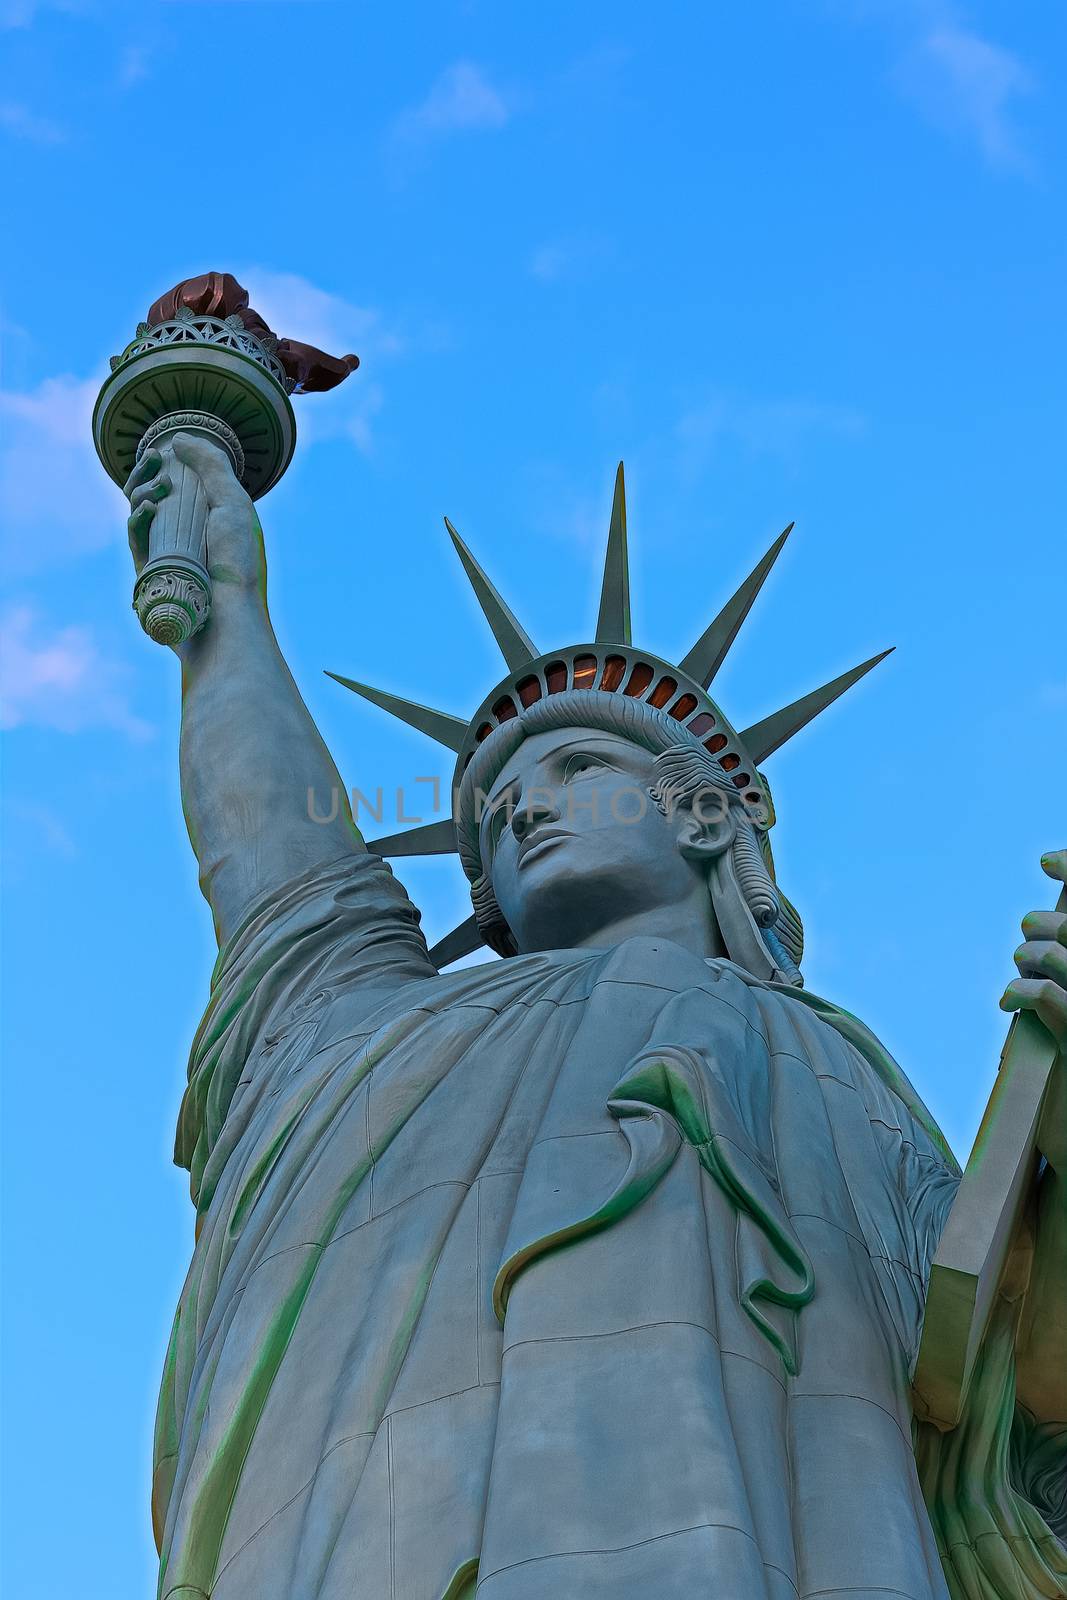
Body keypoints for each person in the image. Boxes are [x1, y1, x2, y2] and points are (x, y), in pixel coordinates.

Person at [126, 433, 1066, 1600]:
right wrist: (225, 603)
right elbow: (267, 847)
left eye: (574, 769)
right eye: (498, 810)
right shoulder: (368, 1033)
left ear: (709, 819)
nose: (525, 815)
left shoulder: (828, 1067)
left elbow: (1004, 1391)